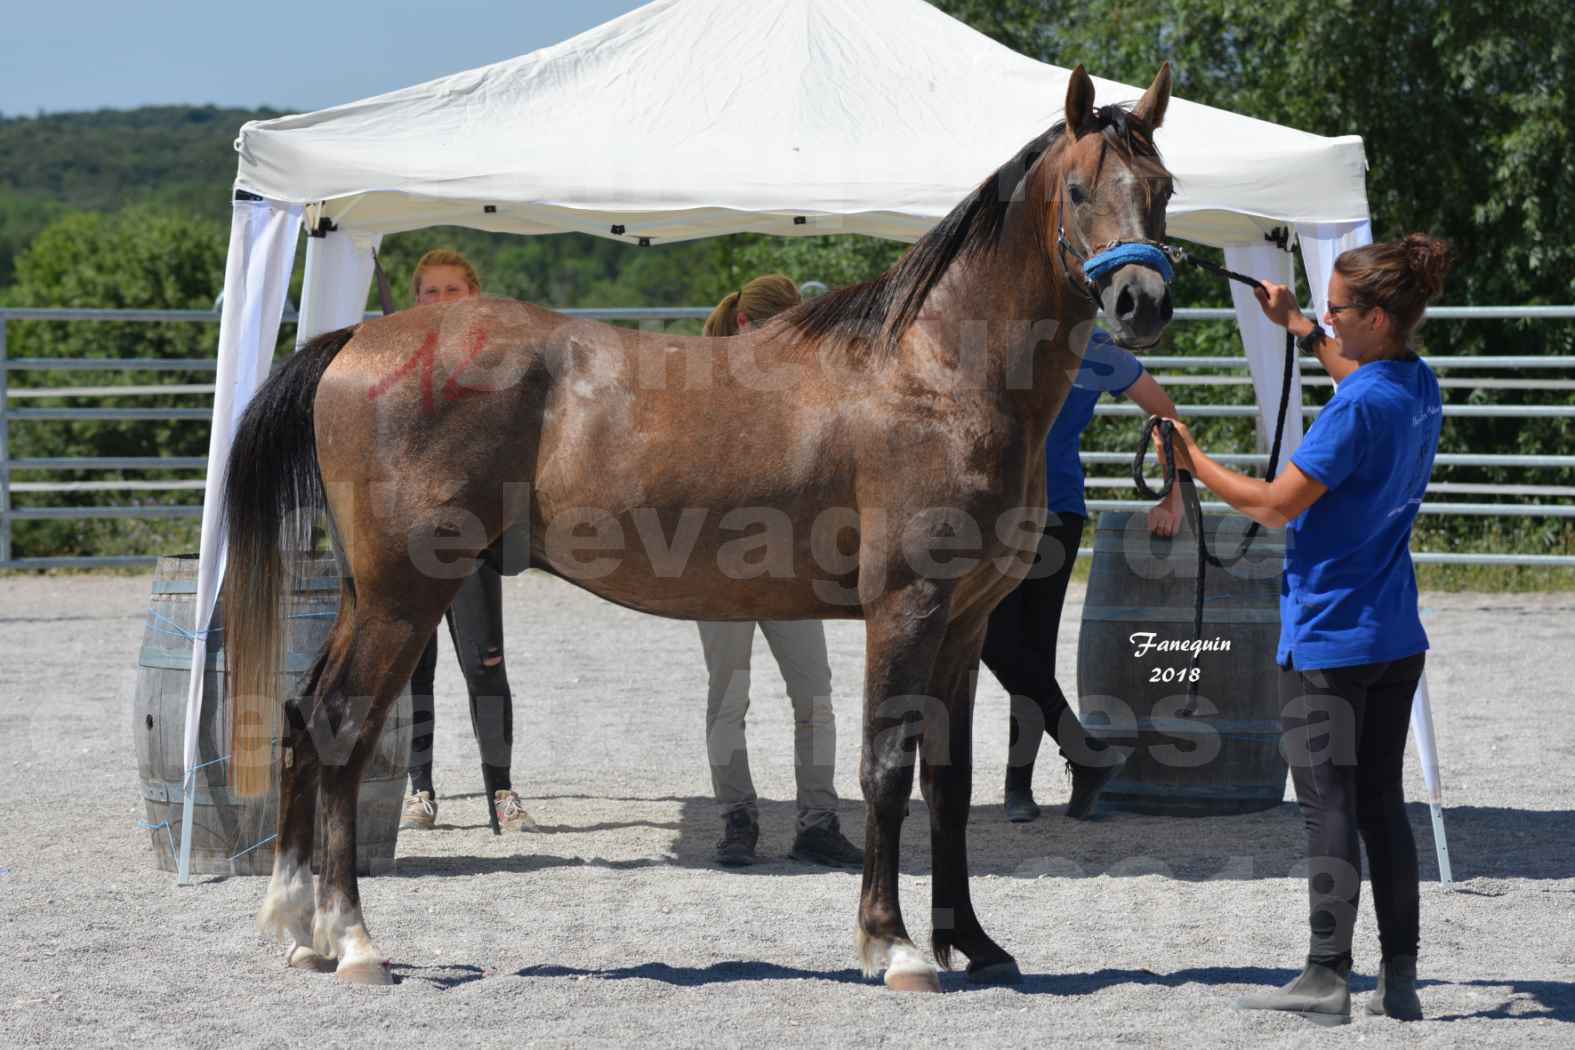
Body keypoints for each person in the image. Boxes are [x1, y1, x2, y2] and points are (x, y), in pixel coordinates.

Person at [1163, 235, 1453, 1025]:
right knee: (1378, 806)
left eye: (1334, 309)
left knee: (1325, 803)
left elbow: (1272, 504)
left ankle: (1326, 973)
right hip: (1393, 633)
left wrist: (1192, 461)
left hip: (1328, 636)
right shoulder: (1415, 384)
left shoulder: (1358, 406)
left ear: (1376, 316)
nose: (1327, 315)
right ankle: (1399, 978)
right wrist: (1302, 330)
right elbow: (1357, 379)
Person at [697, 274, 863, 869]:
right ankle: (737, 819)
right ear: (747, 326)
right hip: (722, 566)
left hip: (790, 566)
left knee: (813, 696)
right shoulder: (707, 386)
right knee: (729, 699)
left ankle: (817, 820)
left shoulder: (802, 386)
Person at [986, 329, 1183, 822]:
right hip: (996, 512)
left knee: (1026, 649)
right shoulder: (998, 331)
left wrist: (1174, 494)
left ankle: (1021, 787)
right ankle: (1084, 757)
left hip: (1054, 511)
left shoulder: (1095, 348)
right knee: (998, 641)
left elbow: (1166, 414)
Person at [398, 249, 538, 834]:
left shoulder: (495, 370)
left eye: (452, 290)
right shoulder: (392, 370)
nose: (439, 301)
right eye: (430, 291)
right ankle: (419, 790)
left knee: (484, 666)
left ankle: (501, 793)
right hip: (408, 541)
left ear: (474, 297)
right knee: (412, 669)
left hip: (473, 541)